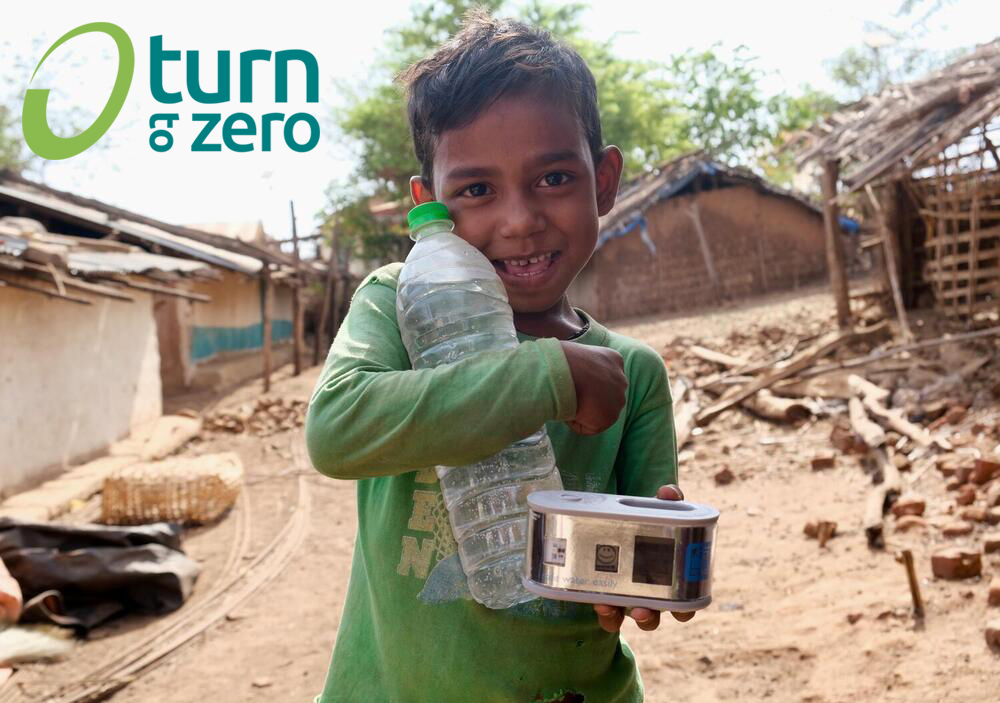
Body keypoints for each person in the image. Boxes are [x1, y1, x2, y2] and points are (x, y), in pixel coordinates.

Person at [306, 10, 687, 702]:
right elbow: (335, 429)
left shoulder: (634, 374)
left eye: (553, 179)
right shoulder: (397, 307)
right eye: (477, 190)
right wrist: (549, 377)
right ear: (431, 207)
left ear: (602, 181)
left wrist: (648, 566)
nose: (518, 219)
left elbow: (630, 567)